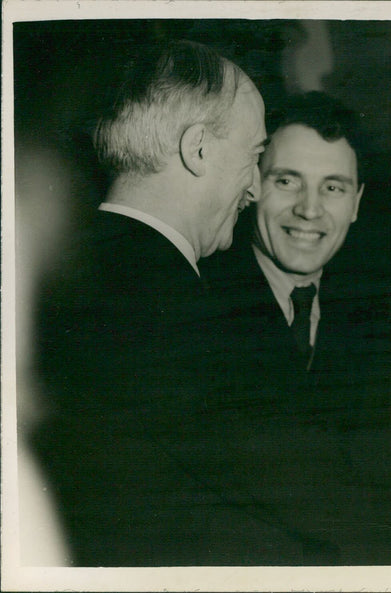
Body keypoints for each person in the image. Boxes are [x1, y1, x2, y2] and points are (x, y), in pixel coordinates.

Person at [200, 91, 391, 564]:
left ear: (357, 202)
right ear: (252, 185)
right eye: (287, 181)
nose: (310, 209)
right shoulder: (198, 301)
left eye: (333, 187)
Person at [31, 39, 274, 565]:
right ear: (199, 148)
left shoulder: (48, 279)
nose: (256, 188)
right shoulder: (186, 315)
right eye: (254, 156)